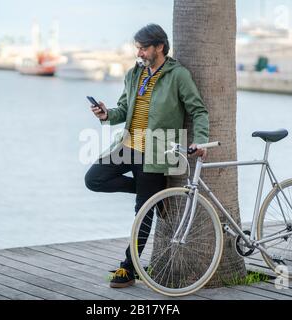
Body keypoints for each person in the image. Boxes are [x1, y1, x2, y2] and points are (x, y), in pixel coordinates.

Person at [84, 24, 209, 288]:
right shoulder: (134, 74)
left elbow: (198, 110)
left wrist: (201, 140)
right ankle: (155, 198)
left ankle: (129, 268)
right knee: (94, 179)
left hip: (157, 150)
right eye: (137, 48)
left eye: (143, 48)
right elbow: (123, 108)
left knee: (142, 213)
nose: (139, 52)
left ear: (159, 47)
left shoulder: (178, 76)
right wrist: (107, 115)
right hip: (128, 146)